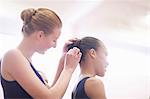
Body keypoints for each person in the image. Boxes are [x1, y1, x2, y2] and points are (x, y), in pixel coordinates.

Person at [0, 8, 82, 99]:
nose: (55, 45)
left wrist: (63, 60)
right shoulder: (12, 56)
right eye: (54, 40)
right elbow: (50, 97)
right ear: (40, 35)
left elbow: (50, 92)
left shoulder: (25, 60)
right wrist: (69, 69)